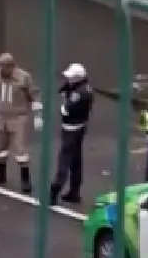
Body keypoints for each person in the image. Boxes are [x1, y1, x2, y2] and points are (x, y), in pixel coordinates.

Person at [0, 53, 42, 194]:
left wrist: (38, 115)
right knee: (0, 148)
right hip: (0, 116)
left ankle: (25, 179)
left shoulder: (24, 77)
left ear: (11, 66)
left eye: (2, 66)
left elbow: (34, 95)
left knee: (20, 150)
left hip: (18, 117)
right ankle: (0, 174)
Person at [49, 63, 94, 204]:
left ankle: (56, 188)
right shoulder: (81, 88)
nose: (67, 80)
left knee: (64, 159)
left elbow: (65, 110)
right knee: (76, 159)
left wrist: (64, 100)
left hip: (72, 129)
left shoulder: (80, 94)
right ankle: (74, 191)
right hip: (79, 128)